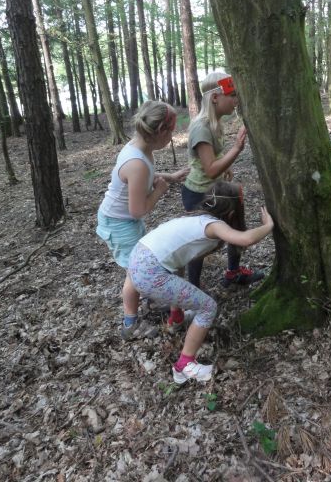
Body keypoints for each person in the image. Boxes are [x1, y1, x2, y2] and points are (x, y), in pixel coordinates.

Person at [126, 181, 274, 383]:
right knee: (208, 307)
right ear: (231, 213)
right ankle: (184, 365)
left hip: (137, 261)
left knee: (178, 277)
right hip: (151, 273)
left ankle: (176, 320)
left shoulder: (195, 219)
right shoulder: (214, 225)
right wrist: (268, 226)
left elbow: (177, 259)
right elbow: (245, 239)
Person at [96, 100, 188, 339]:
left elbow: (147, 176)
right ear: (160, 132)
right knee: (135, 273)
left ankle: (156, 300)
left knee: (143, 266)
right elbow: (138, 209)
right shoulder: (136, 162)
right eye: (172, 131)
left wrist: (171, 177)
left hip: (125, 221)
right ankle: (130, 324)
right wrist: (159, 191)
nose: (173, 136)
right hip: (120, 224)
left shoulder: (141, 147)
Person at [181, 71, 264, 290]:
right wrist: (236, 149)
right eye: (232, 94)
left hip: (215, 189)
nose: (236, 100)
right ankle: (192, 290)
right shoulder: (201, 127)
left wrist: (225, 166)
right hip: (200, 194)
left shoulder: (214, 122)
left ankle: (233, 272)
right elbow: (209, 170)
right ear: (215, 97)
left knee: (234, 223)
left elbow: (213, 161)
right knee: (200, 241)